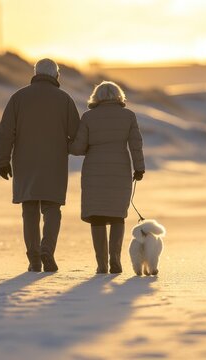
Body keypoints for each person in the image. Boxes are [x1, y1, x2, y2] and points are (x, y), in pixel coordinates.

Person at [0, 58, 80, 272]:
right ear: (56, 75)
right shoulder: (65, 100)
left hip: (25, 163)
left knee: (30, 210)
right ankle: (47, 251)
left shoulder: (18, 98)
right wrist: (70, 147)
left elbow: (6, 132)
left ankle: (34, 257)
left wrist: (3, 161)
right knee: (52, 209)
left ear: (35, 73)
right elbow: (76, 134)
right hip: (54, 163)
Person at [69, 81, 145, 274]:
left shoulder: (88, 117)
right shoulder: (128, 116)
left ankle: (102, 264)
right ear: (118, 95)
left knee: (97, 217)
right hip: (120, 170)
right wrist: (139, 168)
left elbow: (78, 148)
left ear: (97, 96)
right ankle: (115, 260)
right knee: (117, 215)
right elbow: (135, 145)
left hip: (94, 170)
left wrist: (66, 143)